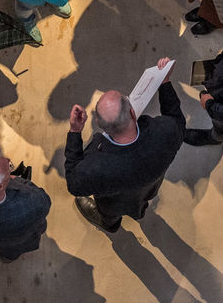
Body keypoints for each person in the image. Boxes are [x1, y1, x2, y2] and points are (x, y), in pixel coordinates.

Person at [65, 58, 185, 233]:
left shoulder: (94, 167)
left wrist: (75, 132)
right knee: (141, 200)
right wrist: (164, 82)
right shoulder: (165, 132)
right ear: (132, 112)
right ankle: (140, 211)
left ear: (98, 123)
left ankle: (110, 224)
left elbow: (74, 184)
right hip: (150, 185)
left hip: (114, 203)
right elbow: (177, 120)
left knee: (110, 212)